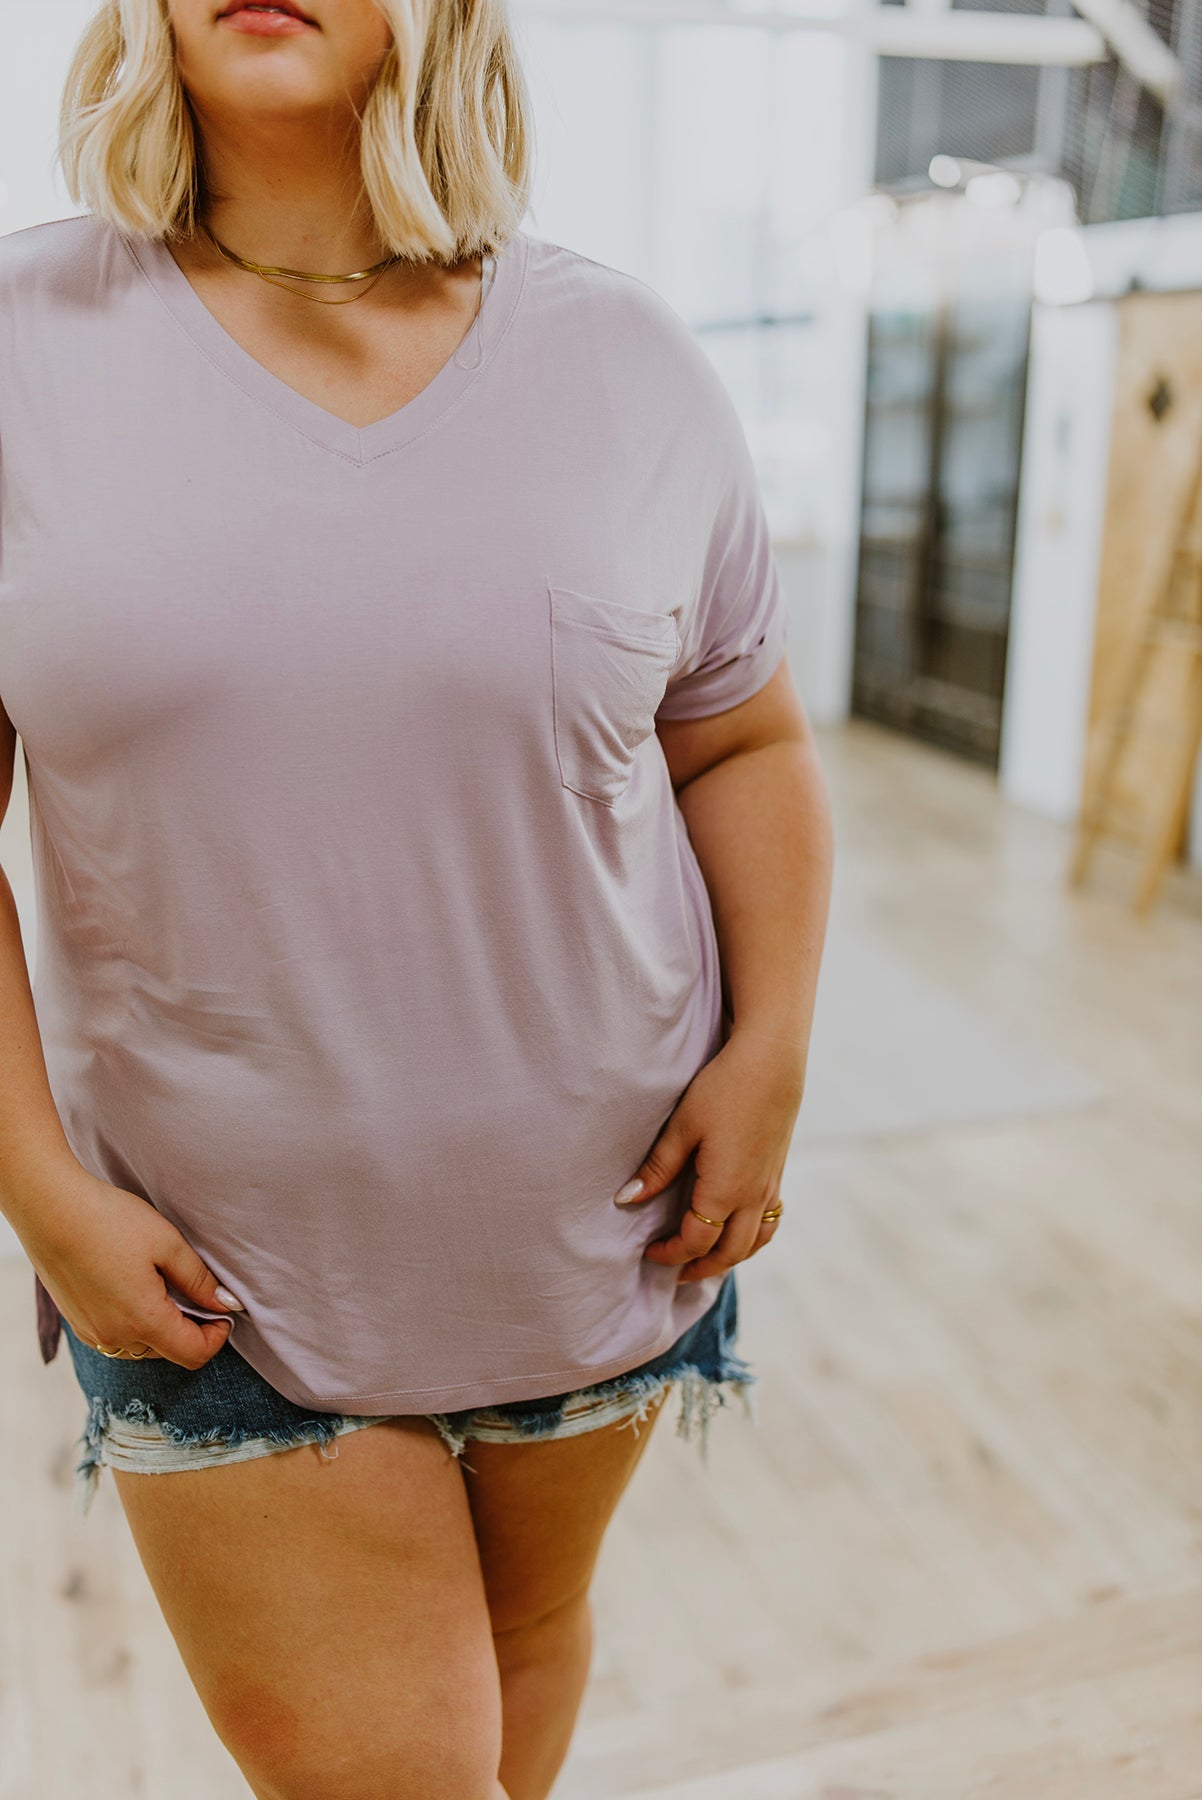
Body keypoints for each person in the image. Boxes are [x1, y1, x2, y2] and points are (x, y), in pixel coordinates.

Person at [0, 0, 834, 1794]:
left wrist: (770, 1052)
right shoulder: (20, 343)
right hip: (218, 1278)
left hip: (607, 1233)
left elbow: (739, 743)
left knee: (521, 1660)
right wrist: (37, 1190)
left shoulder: (622, 357)